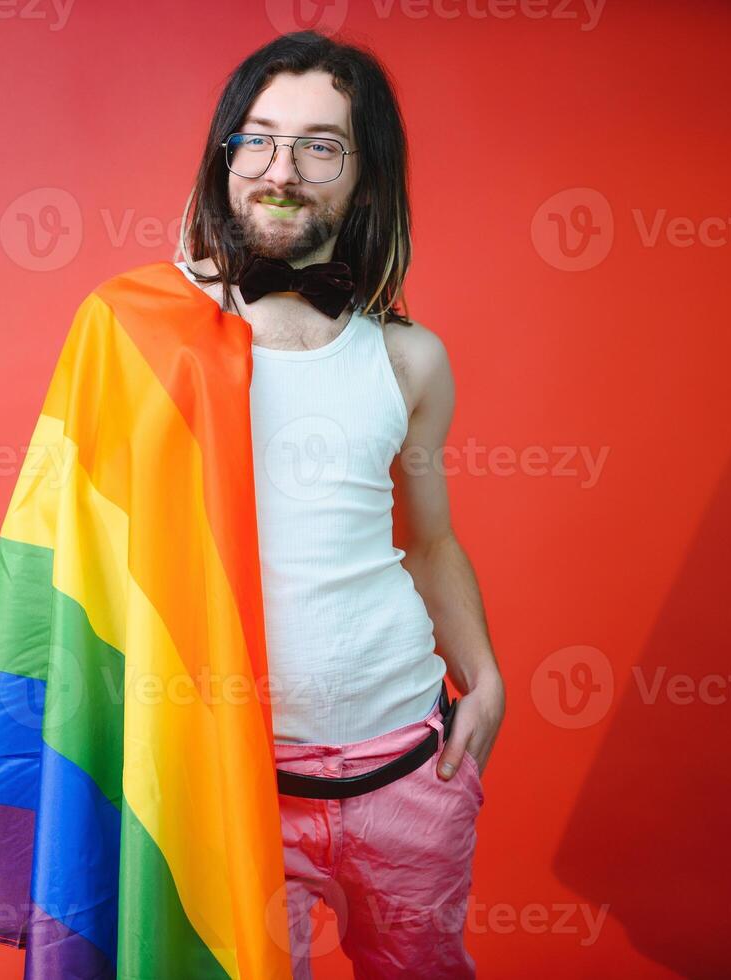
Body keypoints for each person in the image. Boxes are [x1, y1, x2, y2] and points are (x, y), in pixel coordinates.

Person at [171, 31, 505, 978]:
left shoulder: (409, 360)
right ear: (225, 156)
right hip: (231, 784)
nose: (282, 168)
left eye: (321, 144)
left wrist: (484, 677)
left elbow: (429, 542)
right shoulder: (157, 343)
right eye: (259, 139)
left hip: (408, 766)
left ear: (364, 177)